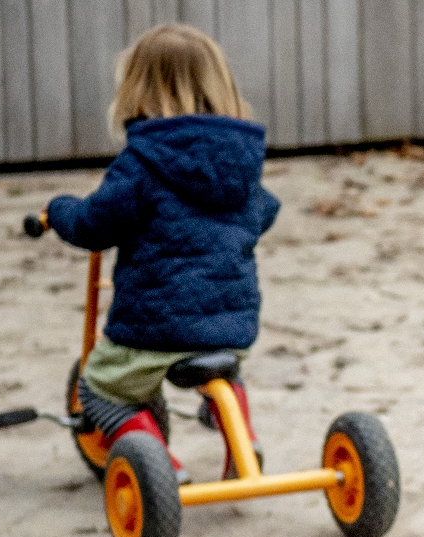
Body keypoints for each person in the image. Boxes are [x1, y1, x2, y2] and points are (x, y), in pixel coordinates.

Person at [43, 23, 279, 483]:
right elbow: (265, 212)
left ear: (138, 92)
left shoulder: (141, 163)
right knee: (223, 374)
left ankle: (156, 465)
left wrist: (60, 210)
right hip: (228, 327)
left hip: (152, 327)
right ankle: (241, 438)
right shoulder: (240, 161)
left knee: (100, 388)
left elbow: (94, 225)